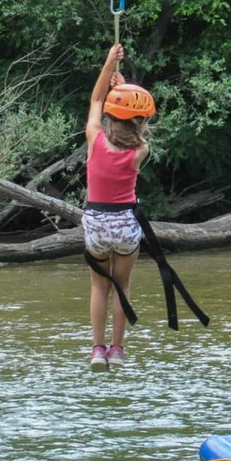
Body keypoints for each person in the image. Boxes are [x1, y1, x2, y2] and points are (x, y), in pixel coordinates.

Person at [82, 43, 154, 371]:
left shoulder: (95, 138)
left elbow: (97, 100)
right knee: (121, 286)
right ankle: (118, 350)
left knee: (99, 285)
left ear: (111, 115)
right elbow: (130, 119)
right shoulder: (141, 150)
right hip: (125, 223)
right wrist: (122, 90)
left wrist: (109, 66)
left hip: (96, 222)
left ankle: (97, 350)